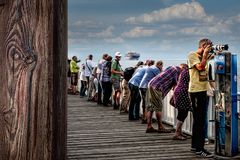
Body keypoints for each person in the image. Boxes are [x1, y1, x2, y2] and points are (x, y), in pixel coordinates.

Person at [187, 38, 214, 158]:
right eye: (209, 46)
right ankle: (200, 149)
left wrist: (216, 51)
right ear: (203, 46)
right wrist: (205, 54)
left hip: (203, 91)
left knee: (198, 120)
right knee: (200, 122)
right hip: (197, 91)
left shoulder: (205, 56)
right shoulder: (192, 55)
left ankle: (194, 146)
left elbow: (213, 58)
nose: (210, 49)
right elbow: (200, 67)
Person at [146, 65, 182, 133]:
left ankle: (149, 126)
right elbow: (178, 85)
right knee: (158, 107)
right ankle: (160, 127)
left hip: (151, 83)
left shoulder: (171, 67)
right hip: (157, 87)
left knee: (150, 107)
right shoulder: (178, 71)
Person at [171, 64, 191, 140]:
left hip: (179, 92)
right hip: (183, 93)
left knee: (182, 113)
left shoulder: (183, 71)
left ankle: (179, 132)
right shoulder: (189, 72)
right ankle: (177, 133)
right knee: (182, 113)